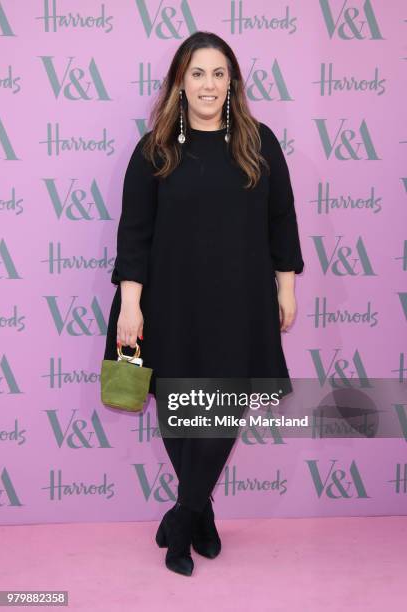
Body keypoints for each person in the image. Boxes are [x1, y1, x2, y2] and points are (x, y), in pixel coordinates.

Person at [103, 31, 304, 577]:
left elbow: (281, 218)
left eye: (218, 73)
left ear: (232, 82)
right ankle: (202, 515)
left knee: (222, 406)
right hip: (166, 302)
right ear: (180, 83)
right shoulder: (155, 149)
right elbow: (134, 234)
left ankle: (182, 519)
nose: (208, 84)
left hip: (239, 304)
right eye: (197, 73)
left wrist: (285, 286)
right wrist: (130, 306)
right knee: (177, 408)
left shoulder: (260, 142)